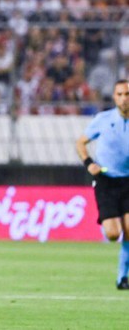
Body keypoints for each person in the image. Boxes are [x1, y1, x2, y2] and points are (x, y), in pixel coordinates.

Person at [76, 79, 129, 290]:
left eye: (127, 94)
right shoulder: (103, 119)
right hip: (106, 180)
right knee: (113, 233)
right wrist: (89, 163)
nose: (124, 99)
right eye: (120, 94)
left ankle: (122, 277)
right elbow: (80, 142)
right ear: (114, 97)